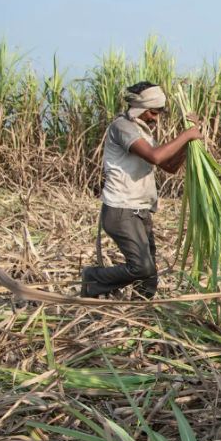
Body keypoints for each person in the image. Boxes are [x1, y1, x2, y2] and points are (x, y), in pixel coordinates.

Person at [81, 82, 202, 299]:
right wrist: (186, 135)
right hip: (121, 210)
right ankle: (93, 278)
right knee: (142, 267)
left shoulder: (142, 132)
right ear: (140, 108)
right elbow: (155, 156)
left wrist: (190, 143)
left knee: (149, 277)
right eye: (153, 112)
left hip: (140, 209)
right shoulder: (122, 127)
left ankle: (139, 312)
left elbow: (169, 166)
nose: (156, 119)